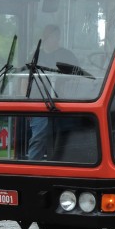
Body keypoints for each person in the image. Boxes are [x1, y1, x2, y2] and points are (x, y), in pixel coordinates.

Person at [27, 25, 77, 160]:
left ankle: (61, 165)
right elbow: (27, 77)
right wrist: (25, 100)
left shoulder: (67, 55)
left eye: (57, 36)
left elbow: (77, 76)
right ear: (45, 37)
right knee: (39, 136)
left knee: (65, 136)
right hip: (39, 102)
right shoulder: (35, 55)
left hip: (63, 102)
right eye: (52, 36)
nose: (55, 39)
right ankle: (31, 169)